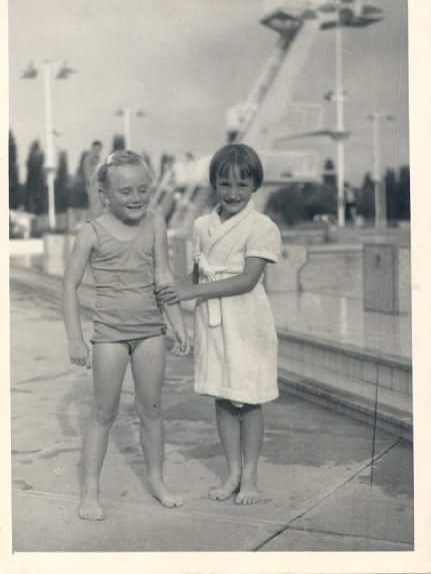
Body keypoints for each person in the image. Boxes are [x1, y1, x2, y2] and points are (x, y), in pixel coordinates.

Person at [63, 150, 189, 520]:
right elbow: (69, 285)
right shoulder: (91, 232)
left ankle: (157, 480)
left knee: (151, 409)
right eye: (126, 192)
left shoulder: (155, 224)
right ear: (105, 194)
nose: (136, 199)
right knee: (103, 412)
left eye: (143, 190)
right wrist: (75, 337)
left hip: (151, 330)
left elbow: (164, 276)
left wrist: (179, 323)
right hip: (109, 336)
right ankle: (90, 490)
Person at [157, 144, 281, 506]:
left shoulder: (262, 227)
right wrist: (165, 292)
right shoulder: (200, 226)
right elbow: (193, 276)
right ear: (213, 183)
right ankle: (232, 473)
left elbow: (247, 279)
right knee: (223, 397)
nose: (232, 193)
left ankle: (252, 476)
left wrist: (194, 291)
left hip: (246, 320)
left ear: (254, 186)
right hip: (212, 322)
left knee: (250, 399)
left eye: (242, 185)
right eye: (224, 184)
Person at [83, 140, 103, 218]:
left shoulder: (97, 159)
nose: (98, 152)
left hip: (98, 187)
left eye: (99, 150)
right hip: (92, 187)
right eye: (96, 150)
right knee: (95, 209)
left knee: (99, 209)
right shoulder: (88, 159)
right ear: (92, 148)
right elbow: (88, 177)